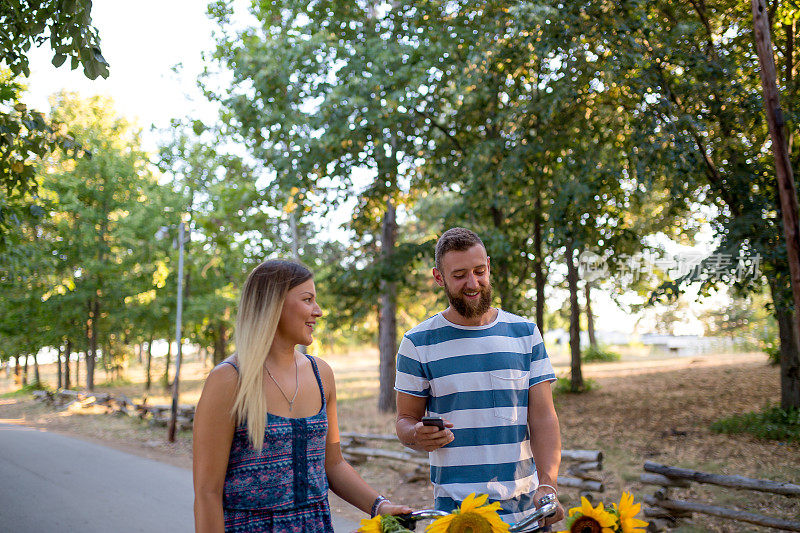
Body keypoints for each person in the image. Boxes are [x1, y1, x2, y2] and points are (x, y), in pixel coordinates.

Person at [194, 259, 411, 532]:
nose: (318, 311)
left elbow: (333, 465)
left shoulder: (322, 375)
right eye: (308, 299)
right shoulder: (228, 379)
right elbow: (207, 492)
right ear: (273, 305)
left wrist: (380, 506)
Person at [394, 228, 565, 528]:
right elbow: (405, 420)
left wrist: (548, 485)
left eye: (479, 270)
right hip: (457, 518)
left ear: (488, 265)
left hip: (527, 514)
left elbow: (544, 419)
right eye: (459, 274)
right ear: (439, 278)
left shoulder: (526, 333)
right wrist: (415, 434)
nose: (472, 283)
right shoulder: (417, 342)